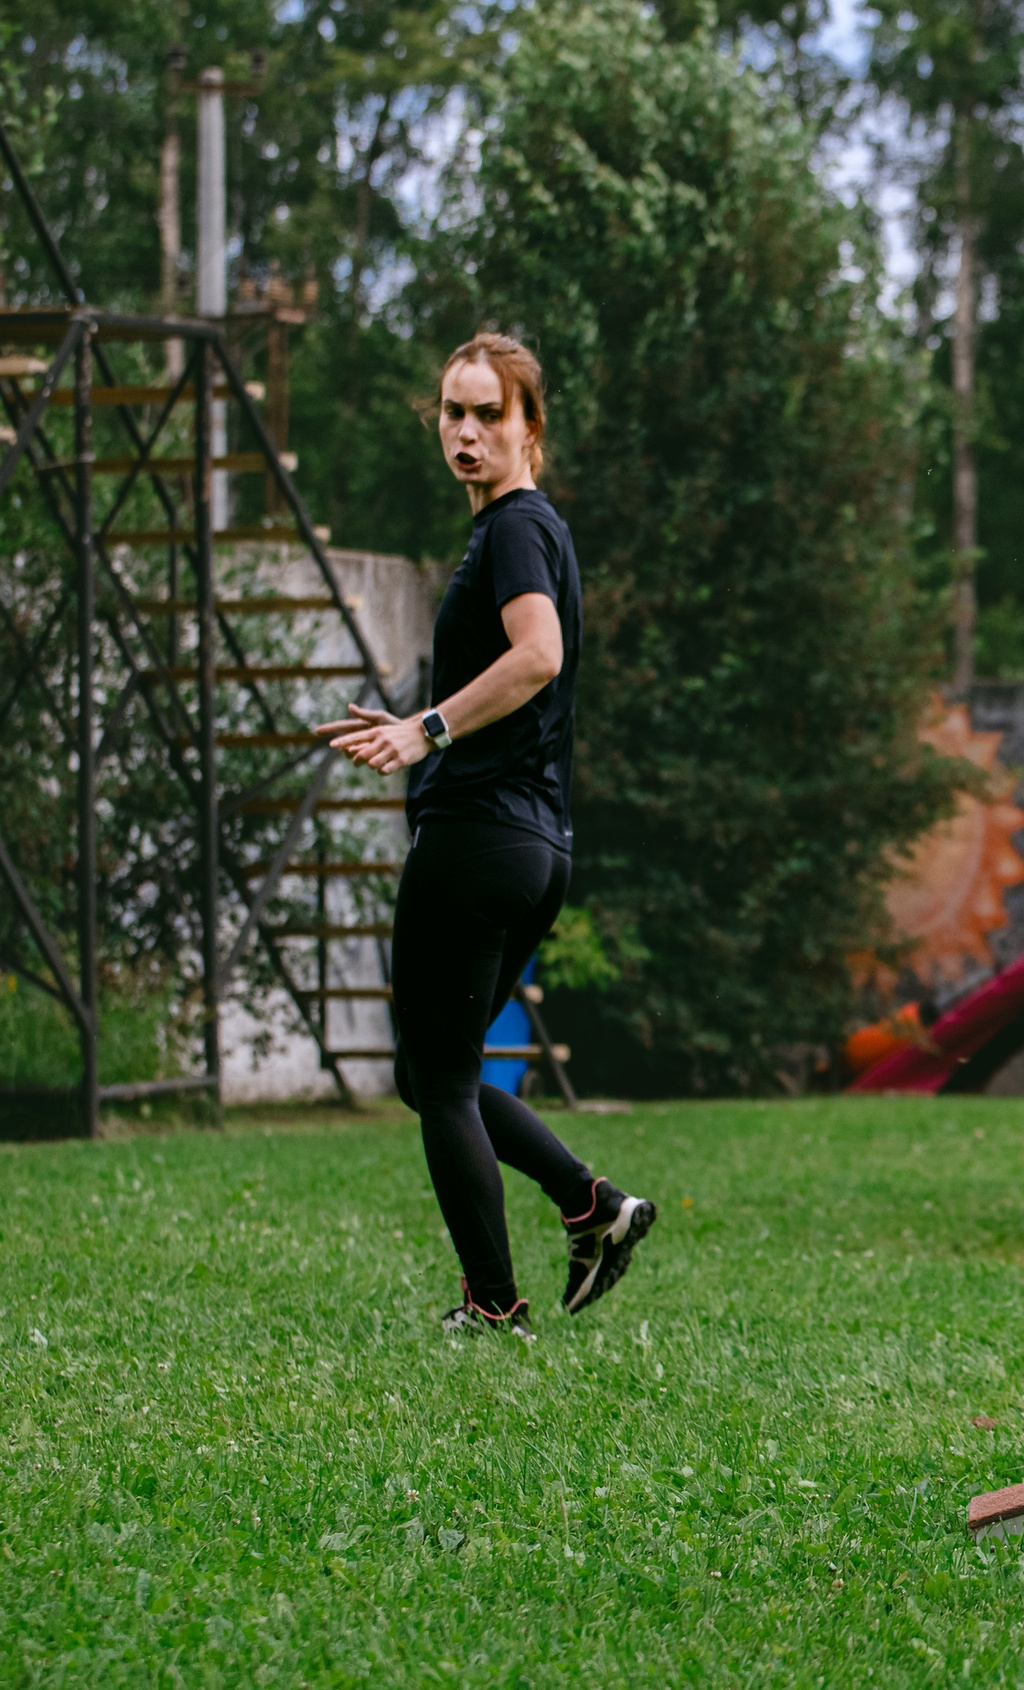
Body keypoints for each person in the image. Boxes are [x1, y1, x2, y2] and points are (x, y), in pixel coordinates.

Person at [318, 332, 654, 1338]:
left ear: (528, 427)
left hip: (477, 839)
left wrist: (424, 729)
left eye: (487, 415)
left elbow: (538, 654)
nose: (466, 433)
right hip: (531, 845)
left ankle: (493, 1303)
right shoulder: (522, 530)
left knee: (440, 1073)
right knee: (432, 1072)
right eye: (452, 414)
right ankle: (591, 1206)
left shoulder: (514, 528)